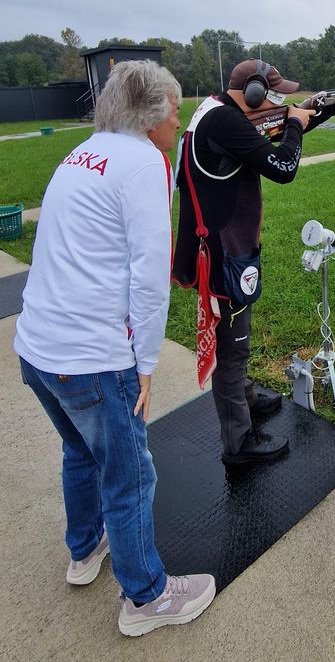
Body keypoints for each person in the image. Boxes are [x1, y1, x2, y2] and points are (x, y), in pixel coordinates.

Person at [14, 59, 216, 638]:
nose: (179, 122)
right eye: (175, 111)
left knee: (81, 453)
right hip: (91, 358)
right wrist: (146, 365)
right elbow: (148, 276)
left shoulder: (85, 151)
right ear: (152, 115)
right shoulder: (143, 164)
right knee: (130, 477)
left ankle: (85, 550)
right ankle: (147, 597)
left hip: (37, 348)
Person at [172, 59, 335, 467]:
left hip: (227, 243)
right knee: (231, 347)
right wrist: (296, 123)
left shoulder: (219, 112)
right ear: (255, 93)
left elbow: (269, 134)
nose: (280, 99)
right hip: (223, 252)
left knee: (238, 334)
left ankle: (244, 396)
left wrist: (334, 106)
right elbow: (282, 166)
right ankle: (238, 442)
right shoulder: (225, 123)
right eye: (274, 93)